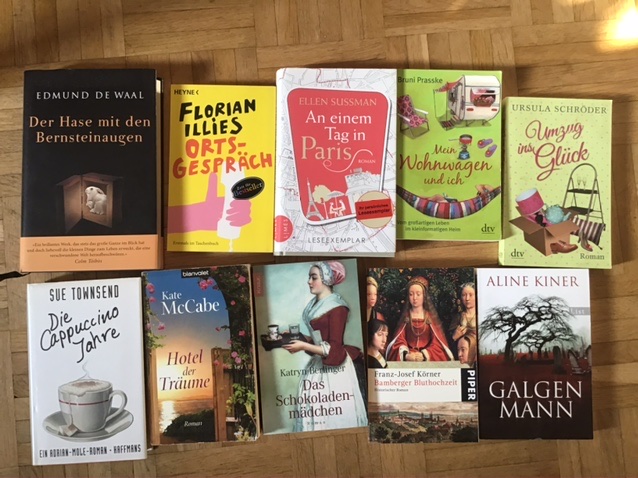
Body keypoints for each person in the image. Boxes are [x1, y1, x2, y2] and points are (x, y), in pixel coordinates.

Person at [282, 261, 367, 431]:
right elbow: (318, 341)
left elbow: (334, 349)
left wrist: (302, 345)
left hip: (335, 370)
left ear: (326, 279)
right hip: (317, 365)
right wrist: (295, 337)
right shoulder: (313, 305)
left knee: (332, 415)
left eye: (314, 277)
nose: (309, 282)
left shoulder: (337, 308)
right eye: (309, 277)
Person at [386, 276, 454, 362]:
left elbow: (437, 342)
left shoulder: (429, 317)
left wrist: (424, 354)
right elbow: (399, 340)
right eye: (411, 294)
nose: (414, 298)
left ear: (424, 296)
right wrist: (406, 355)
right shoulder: (406, 317)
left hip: (427, 358)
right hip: (409, 357)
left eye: (418, 294)